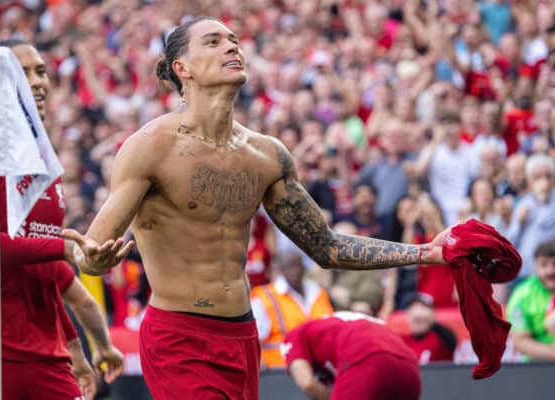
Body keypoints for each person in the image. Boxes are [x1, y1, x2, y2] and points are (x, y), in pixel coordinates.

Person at [65, 17, 448, 400]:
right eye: (213, 42)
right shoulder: (149, 146)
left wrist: (426, 252)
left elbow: (327, 247)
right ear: (182, 68)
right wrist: (94, 261)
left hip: (242, 335)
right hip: (178, 335)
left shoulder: (266, 154)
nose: (232, 47)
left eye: (233, 40)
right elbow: (91, 250)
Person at [0, 39, 127, 400]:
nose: (37, 81)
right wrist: (63, 248)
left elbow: (45, 270)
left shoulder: (45, 167)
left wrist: (78, 349)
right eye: (23, 71)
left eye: (41, 71)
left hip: (47, 356)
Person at [281, 311, 421, 400]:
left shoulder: (297, 335)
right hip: (409, 365)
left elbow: (307, 383)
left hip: (368, 359)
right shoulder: (338, 322)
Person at [251, 248, 333, 369]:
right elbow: (253, 341)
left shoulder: (317, 292)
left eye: (298, 265)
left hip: (319, 367)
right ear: (280, 270)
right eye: (290, 266)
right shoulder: (264, 297)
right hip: (279, 370)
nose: (295, 271)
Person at [507, 240, 555, 361]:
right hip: (538, 367)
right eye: (544, 265)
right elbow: (520, 342)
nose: (550, 271)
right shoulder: (522, 295)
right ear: (535, 266)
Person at [400, 294, 457, 364]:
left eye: (422, 308)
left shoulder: (440, 338)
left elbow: (450, 339)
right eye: (412, 309)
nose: (417, 313)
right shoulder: (403, 340)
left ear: (432, 314)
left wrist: (431, 320)